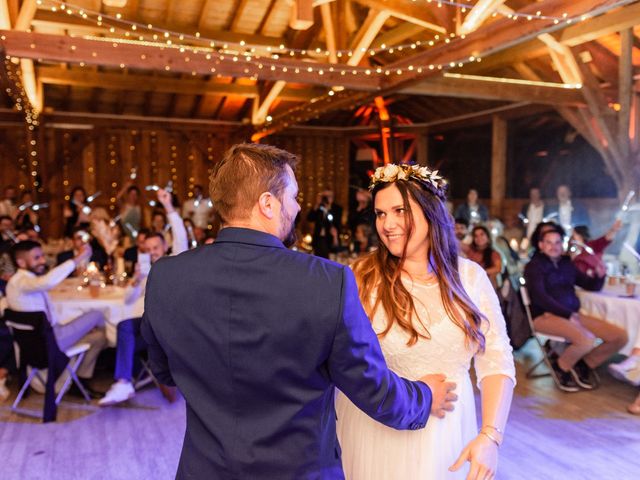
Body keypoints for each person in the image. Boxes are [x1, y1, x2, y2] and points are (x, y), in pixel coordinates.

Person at [141, 144, 457, 479]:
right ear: (267, 203)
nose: (297, 206)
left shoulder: (166, 276)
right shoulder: (326, 281)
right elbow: (372, 388)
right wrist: (424, 397)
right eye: (293, 196)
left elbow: (164, 372)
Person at [336, 164, 516, 480]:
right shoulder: (362, 278)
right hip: (376, 430)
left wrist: (490, 436)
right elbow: (343, 363)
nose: (387, 224)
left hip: (446, 433)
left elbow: (497, 361)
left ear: (430, 213)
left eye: (399, 211)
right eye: (380, 214)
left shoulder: (471, 278)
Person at [99, 189, 188, 406]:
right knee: (125, 327)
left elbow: (180, 235)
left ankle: (136, 378)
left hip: (174, 326)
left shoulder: (175, 262)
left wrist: (168, 207)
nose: (154, 252)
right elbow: (128, 301)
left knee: (128, 327)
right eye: (148, 249)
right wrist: (136, 280)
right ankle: (123, 382)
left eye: (156, 247)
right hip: (151, 327)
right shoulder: (146, 271)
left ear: (165, 247)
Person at [524, 226, 628, 392]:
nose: (554, 246)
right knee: (586, 340)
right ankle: (561, 367)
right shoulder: (534, 266)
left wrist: (599, 275)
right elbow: (540, 298)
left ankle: (584, 365)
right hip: (545, 316)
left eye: (558, 242)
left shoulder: (567, 263)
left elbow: (589, 284)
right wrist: (568, 315)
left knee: (620, 336)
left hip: (572, 315)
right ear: (541, 245)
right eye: (549, 243)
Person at [6, 241, 107, 395]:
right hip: (45, 343)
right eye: (36, 258)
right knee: (98, 313)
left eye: (42, 256)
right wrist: (78, 258)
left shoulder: (27, 281)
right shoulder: (19, 282)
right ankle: (124, 354)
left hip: (47, 337)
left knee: (99, 337)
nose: (42, 260)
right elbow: (47, 282)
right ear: (21, 262)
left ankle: (77, 382)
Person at [306, 189, 343, 258]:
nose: (326, 198)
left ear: (333, 197)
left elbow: (337, 222)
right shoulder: (319, 207)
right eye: (324, 196)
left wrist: (329, 209)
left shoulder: (337, 208)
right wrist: (317, 204)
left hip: (330, 238)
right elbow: (310, 218)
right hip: (318, 238)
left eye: (328, 196)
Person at [467, 225, 503, 289]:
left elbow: (498, 268)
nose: (479, 238)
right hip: (471, 286)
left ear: (488, 237)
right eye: (476, 236)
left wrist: (479, 272)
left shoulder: (494, 254)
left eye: (482, 234)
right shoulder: (470, 251)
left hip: (487, 288)